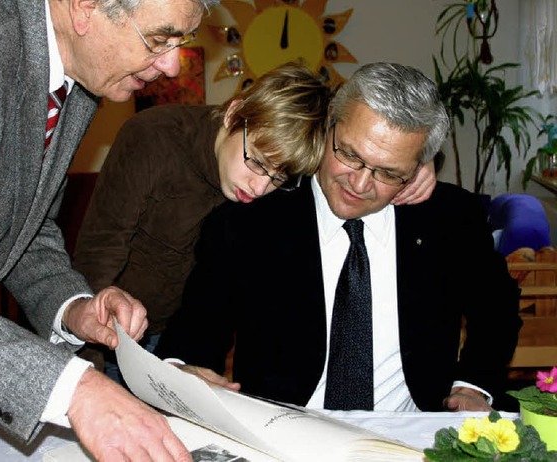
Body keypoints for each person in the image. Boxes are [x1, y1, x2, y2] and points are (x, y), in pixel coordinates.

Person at [0, 0, 219, 459]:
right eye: (159, 39)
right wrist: (75, 389)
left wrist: (73, 307)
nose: (173, 65)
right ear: (85, 7)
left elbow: (26, 231)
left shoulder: (79, 75)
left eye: (182, 41)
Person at [154, 62, 522, 413]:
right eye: (349, 154)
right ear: (328, 125)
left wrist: (472, 386)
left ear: (418, 166)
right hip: (284, 434)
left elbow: (497, 309)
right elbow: (198, 326)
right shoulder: (250, 218)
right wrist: (186, 371)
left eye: (389, 173)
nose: (360, 184)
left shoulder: (449, 219)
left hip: (412, 431)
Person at [71, 61, 437, 385]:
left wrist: (414, 165)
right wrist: (89, 366)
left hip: (172, 338)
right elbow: (97, 257)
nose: (260, 187)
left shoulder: (283, 167)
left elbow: (356, 137)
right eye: (257, 162)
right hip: (113, 336)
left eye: (279, 178)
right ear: (234, 116)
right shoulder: (153, 137)